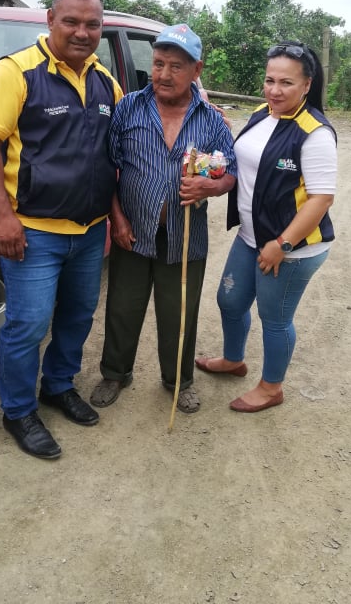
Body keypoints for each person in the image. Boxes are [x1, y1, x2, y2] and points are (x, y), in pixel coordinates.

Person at [0, 0, 123, 459]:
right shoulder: (15, 72)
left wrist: (115, 216)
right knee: (28, 326)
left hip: (89, 230)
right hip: (34, 233)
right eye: (71, 21)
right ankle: (18, 411)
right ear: (51, 19)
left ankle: (58, 386)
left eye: (92, 24)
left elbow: (113, 155)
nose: (82, 32)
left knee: (77, 316)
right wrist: (3, 217)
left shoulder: (106, 82)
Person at [90, 24, 237, 414]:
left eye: (176, 66)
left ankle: (178, 381)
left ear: (196, 70)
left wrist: (210, 187)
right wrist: (117, 220)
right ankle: (115, 373)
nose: (164, 74)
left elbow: (230, 172)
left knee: (180, 313)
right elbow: (108, 168)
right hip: (133, 233)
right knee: (122, 308)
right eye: (158, 64)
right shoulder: (128, 108)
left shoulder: (211, 121)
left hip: (185, 237)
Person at [195, 40, 337, 412]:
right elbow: (244, 161)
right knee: (229, 301)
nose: (274, 90)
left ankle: (272, 388)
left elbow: (321, 199)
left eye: (286, 83)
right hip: (251, 236)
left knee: (274, 319)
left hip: (291, 248)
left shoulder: (315, 133)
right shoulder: (262, 113)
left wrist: (282, 244)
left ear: (306, 85)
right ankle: (233, 360)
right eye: (270, 80)